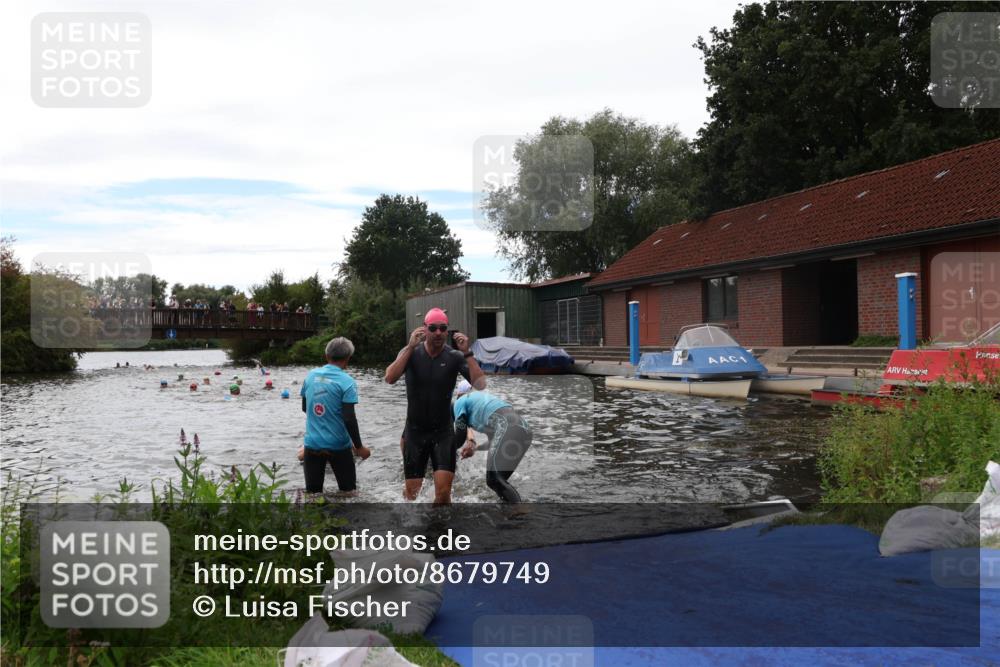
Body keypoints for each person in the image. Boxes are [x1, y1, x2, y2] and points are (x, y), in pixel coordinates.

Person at [384, 307, 484, 504]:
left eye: (442, 328)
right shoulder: (411, 353)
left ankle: (440, 531)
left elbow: (480, 384)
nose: (438, 332)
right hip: (415, 433)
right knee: (411, 495)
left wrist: (468, 353)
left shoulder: (455, 357)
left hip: (443, 433)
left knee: (444, 493)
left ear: (447, 331)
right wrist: (410, 347)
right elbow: (389, 378)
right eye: (433, 328)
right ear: (425, 329)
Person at [301, 337, 371, 495]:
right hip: (338, 445)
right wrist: (359, 447)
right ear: (348, 359)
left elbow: (306, 408)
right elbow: (349, 418)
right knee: (349, 494)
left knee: (312, 496)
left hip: (312, 444)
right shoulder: (347, 382)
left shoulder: (310, 376)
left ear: (327, 356)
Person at [451, 381, 532, 503]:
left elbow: (460, 435)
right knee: (499, 481)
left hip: (508, 427)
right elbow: (494, 441)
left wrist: (445, 451)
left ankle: (520, 513)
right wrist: (476, 448)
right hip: (524, 431)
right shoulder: (481, 404)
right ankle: (510, 511)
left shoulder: (458, 403)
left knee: (493, 479)